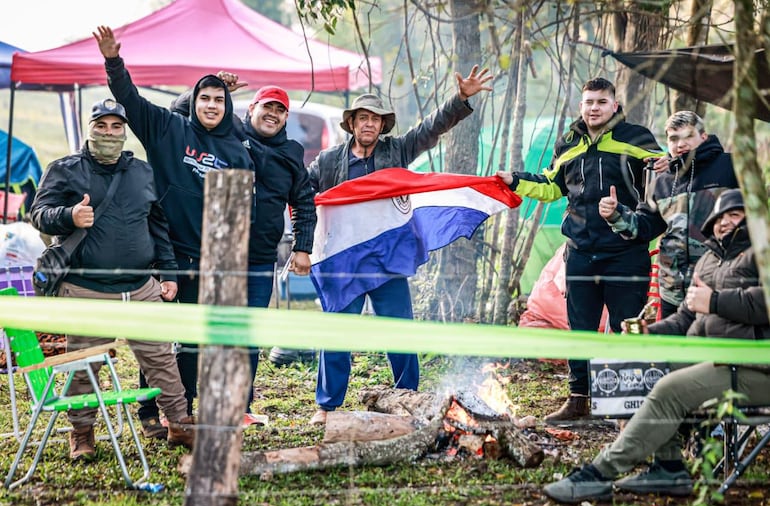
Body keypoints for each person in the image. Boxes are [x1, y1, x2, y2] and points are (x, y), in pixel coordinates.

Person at [543, 189, 770, 504]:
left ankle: (600, 472)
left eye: (735, 215)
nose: (725, 223)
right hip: (707, 359)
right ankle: (668, 466)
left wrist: (716, 300)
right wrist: (648, 332)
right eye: (720, 217)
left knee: (668, 389)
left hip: (753, 366)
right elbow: (684, 320)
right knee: (637, 367)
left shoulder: (764, 255)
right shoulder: (708, 261)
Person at [307, 65, 493, 425]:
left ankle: (408, 396)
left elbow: (431, 128)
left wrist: (461, 99)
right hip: (346, 260)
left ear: (382, 126)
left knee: (401, 330)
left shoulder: (397, 150)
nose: (369, 125)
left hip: (388, 258)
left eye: (375, 120)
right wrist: (302, 245)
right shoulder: (330, 160)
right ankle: (326, 407)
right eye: (363, 118)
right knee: (337, 332)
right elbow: (303, 192)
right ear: (351, 123)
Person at [94, 26, 256, 438]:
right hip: (163, 255)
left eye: (219, 100)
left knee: (194, 341)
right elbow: (129, 99)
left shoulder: (238, 151)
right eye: (204, 98)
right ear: (193, 102)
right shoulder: (168, 129)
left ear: (228, 106)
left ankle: (181, 412)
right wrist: (114, 61)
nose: (212, 105)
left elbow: (241, 211)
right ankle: (149, 408)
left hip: (209, 259)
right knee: (157, 341)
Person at [28, 99, 195, 459]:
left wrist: (167, 273)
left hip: (141, 287)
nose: (108, 133)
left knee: (161, 359)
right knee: (84, 366)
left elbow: (159, 226)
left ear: (124, 131)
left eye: (115, 126)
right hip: (87, 290)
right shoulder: (64, 170)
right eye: (101, 126)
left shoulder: (143, 173)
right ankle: (82, 433)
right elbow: (38, 215)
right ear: (89, 129)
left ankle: (179, 423)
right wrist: (69, 214)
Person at [497, 77, 664, 424]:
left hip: (625, 251)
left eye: (601, 102)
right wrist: (515, 180)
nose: (594, 108)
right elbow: (550, 187)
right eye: (588, 102)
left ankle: (624, 406)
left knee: (624, 327)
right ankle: (579, 399)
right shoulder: (568, 142)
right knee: (581, 328)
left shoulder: (636, 138)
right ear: (581, 105)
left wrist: (668, 164)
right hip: (580, 251)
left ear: (614, 106)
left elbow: (665, 173)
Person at [169, 77, 317, 420]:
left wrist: (302, 247)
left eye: (280, 110)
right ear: (251, 109)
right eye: (268, 107)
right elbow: (180, 112)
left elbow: (304, 202)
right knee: (204, 333)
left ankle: (240, 408)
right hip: (217, 254)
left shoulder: (292, 153)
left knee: (249, 336)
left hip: (261, 259)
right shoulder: (231, 133)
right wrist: (214, 90)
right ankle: (185, 406)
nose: (273, 114)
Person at [598, 111, 739, 318]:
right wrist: (616, 214)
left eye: (688, 136)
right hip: (672, 292)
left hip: (718, 288)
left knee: (714, 347)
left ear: (703, 137)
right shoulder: (662, 183)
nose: (680, 144)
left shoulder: (730, 166)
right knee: (673, 349)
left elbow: (756, 216)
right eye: (674, 139)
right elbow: (644, 227)